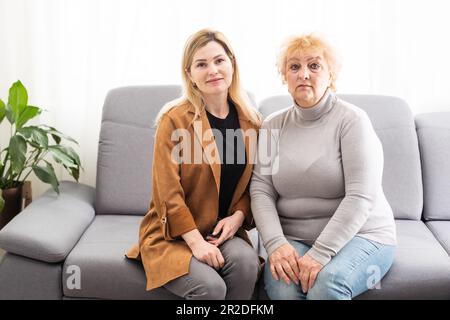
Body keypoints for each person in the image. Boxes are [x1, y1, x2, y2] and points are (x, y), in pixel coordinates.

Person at [250, 33, 397, 300]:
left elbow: (361, 197)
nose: (303, 74)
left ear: (331, 75)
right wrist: (275, 244)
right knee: (283, 291)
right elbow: (261, 190)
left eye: (314, 65)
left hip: (362, 235)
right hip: (292, 238)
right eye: (294, 66)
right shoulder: (272, 124)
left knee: (325, 286)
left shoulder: (352, 121)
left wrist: (319, 254)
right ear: (285, 76)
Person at [126, 29, 262, 300]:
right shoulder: (173, 119)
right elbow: (167, 194)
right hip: (174, 237)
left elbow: (256, 185)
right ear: (189, 74)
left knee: (247, 265)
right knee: (210, 289)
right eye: (201, 64)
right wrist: (196, 243)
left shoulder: (252, 121)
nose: (213, 70)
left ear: (232, 63)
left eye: (219, 60)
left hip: (221, 234)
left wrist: (237, 217)